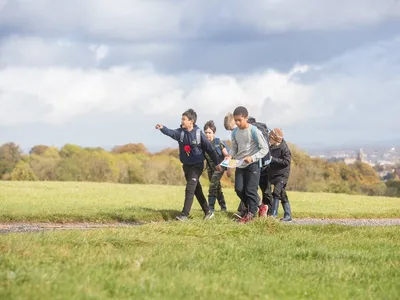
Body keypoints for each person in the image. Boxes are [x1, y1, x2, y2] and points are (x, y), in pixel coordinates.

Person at [155, 108, 222, 221]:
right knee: (196, 190)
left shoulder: (199, 134)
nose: (182, 121)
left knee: (190, 189)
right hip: (186, 166)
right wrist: (162, 128)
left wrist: (217, 163)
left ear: (191, 121)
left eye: (184, 119)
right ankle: (208, 212)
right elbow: (170, 132)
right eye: (182, 119)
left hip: (197, 166)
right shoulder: (180, 133)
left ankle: (184, 215)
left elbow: (210, 149)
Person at [225, 106, 269, 223]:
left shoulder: (254, 131)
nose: (237, 123)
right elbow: (234, 147)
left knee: (250, 190)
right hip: (240, 164)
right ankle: (260, 207)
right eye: (236, 120)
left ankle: (250, 214)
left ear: (246, 118)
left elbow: (264, 149)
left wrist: (252, 157)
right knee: (239, 190)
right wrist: (230, 155)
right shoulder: (234, 132)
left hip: (253, 165)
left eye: (240, 120)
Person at [203, 120, 230, 212]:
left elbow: (227, 156)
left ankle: (210, 208)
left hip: (220, 168)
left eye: (209, 133)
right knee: (217, 187)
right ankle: (223, 207)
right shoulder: (204, 144)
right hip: (210, 168)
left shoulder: (219, 143)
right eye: (206, 133)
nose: (207, 135)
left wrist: (228, 170)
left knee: (212, 186)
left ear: (214, 133)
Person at [268, 128, 293, 222]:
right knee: (282, 194)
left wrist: (273, 159)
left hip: (282, 175)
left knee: (276, 193)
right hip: (274, 174)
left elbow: (287, 162)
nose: (269, 139)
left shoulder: (284, 148)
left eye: (270, 137)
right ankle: (288, 215)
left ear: (274, 138)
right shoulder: (271, 147)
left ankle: (274, 215)